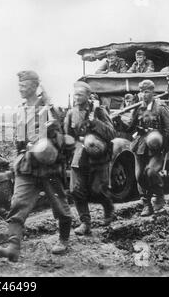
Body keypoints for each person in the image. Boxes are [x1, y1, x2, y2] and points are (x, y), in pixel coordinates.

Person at [0, 70, 73, 260]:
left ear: (34, 86)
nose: (20, 89)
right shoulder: (20, 109)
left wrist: (49, 105)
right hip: (27, 165)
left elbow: (61, 128)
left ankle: (63, 239)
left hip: (48, 166)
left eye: (24, 85)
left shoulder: (47, 107)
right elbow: (18, 139)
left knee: (60, 206)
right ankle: (13, 246)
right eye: (19, 85)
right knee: (17, 204)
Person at [64, 81, 116, 235]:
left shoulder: (98, 111)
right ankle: (85, 222)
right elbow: (68, 136)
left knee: (97, 190)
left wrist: (95, 122)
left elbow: (112, 133)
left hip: (98, 155)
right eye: (75, 94)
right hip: (80, 155)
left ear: (88, 96)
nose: (77, 97)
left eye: (80, 94)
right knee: (76, 190)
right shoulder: (71, 113)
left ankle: (108, 208)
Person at [127, 80, 169, 216]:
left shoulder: (161, 108)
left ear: (152, 92)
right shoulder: (138, 108)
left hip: (157, 146)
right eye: (141, 92)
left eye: (146, 92)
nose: (143, 95)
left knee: (150, 172)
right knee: (139, 176)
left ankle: (159, 195)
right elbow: (129, 127)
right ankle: (146, 203)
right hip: (140, 145)